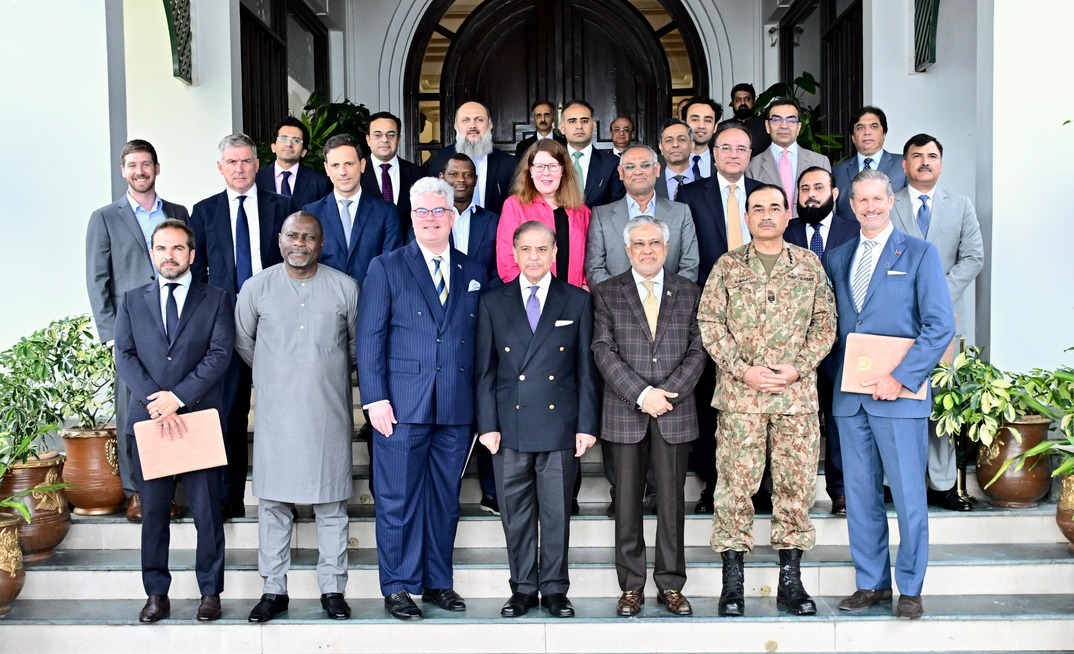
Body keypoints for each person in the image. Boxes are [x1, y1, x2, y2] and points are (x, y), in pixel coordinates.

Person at [698, 184, 836, 618]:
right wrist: (743, 369)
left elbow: (825, 323)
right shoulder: (727, 266)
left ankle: (790, 582)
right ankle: (733, 582)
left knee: (795, 489)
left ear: (786, 213)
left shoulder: (809, 265)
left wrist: (798, 367)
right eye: (757, 209)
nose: (765, 215)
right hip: (741, 400)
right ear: (748, 216)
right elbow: (709, 323)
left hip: (794, 399)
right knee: (735, 489)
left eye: (774, 208)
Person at [824, 169, 955, 620]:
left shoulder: (919, 253)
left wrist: (900, 377)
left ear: (891, 201)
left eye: (878, 199)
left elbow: (940, 326)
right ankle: (871, 583)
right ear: (851, 204)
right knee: (860, 497)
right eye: (862, 201)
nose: (871, 207)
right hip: (851, 398)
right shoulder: (838, 257)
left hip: (900, 397)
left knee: (907, 497)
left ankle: (911, 587)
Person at [356, 178, 487, 621]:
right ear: (411, 218)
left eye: (439, 211)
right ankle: (397, 585)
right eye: (422, 212)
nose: (431, 219)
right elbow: (369, 337)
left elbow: (479, 341)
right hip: (400, 405)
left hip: (455, 405)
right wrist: (374, 399)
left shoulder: (473, 270)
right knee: (397, 498)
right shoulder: (386, 267)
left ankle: (436, 581)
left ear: (452, 216)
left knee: (444, 498)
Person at [235, 211, 360, 623]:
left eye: (308, 237)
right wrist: (279, 372)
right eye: (292, 235)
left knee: (331, 505)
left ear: (321, 244)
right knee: (272, 504)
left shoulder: (344, 289)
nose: (299, 244)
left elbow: (358, 349)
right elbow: (243, 343)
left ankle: (333, 590)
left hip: (329, 415)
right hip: (275, 415)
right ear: (280, 239)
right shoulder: (256, 288)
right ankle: (273, 589)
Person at [475, 220, 600, 619]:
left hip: (560, 424)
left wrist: (586, 424)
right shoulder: (493, 301)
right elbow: (485, 371)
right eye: (526, 249)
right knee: (516, 513)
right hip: (509, 426)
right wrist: (487, 424)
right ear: (514, 254)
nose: (534, 257)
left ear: (555, 254)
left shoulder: (576, 300)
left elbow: (585, 370)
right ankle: (523, 588)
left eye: (542, 249)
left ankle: (556, 589)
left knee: (556, 512)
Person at [114, 219, 234, 623]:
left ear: (192, 254)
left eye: (178, 248)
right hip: (149, 423)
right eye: (162, 248)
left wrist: (178, 397)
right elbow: (124, 356)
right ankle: (156, 595)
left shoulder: (216, 298)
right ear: (153, 253)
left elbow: (220, 354)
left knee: (206, 513)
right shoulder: (131, 301)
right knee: (154, 513)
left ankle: (210, 592)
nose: (170, 255)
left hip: (196, 417)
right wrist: (156, 401)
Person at [591, 216, 707, 617]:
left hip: (674, 412)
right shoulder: (606, 292)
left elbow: (699, 350)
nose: (647, 250)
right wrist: (642, 394)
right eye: (639, 244)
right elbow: (603, 350)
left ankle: (671, 584)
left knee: (672, 503)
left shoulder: (689, 292)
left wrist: (667, 394)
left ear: (666, 246)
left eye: (655, 243)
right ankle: (632, 586)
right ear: (627, 250)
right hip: (626, 412)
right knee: (627, 504)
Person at [188, 133, 292, 520]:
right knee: (229, 414)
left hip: (275, 325)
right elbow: (197, 275)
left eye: (246, 161)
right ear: (220, 167)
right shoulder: (203, 212)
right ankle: (230, 496)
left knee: (281, 414)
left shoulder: (282, 206)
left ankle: (285, 494)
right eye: (231, 162)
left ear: (257, 164)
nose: (239, 168)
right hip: (226, 328)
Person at [86, 139, 189, 520]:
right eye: (132, 165)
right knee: (133, 412)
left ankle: (170, 491)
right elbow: (97, 279)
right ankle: (138, 493)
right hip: (130, 332)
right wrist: (112, 334)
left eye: (146, 164)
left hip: (174, 327)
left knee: (176, 405)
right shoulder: (105, 217)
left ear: (157, 168)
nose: (140, 171)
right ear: (123, 171)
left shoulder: (178, 212)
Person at [890, 134, 984, 513]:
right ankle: (895, 483)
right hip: (896, 321)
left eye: (932, 156)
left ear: (941, 164)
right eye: (917, 156)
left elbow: (973, 257)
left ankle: (943, 484)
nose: (925, 162)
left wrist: (935, 293)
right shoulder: (888, 203)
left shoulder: (959, 205)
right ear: (904, 164)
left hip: (945, 321)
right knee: (896, 398)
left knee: (941, 403)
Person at [674, 122, 760, 513]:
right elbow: (688, 256)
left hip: (762, 317)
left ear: (750, 153)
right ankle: (713, 483)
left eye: (741, 149)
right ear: (713, 153)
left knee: (757, 402)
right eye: (726, 148)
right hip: (710, 312)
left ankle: (760, 484)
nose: (733, 155)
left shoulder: (764, 195)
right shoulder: (691, 194)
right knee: (712, 400)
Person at [785, 166, 860, 515]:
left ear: (835, 193)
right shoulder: (785, 231)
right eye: (804, 189)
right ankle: (786, 494)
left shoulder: (855, 231)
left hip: (840, 345)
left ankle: (841, 491)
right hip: (791, 346)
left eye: (819, 187)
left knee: (838, 417)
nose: (811, 194)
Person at [439, 153, 502, 514]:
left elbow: (499, 269)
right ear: (443, 177)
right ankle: (448, 490)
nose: (460, 180)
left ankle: (491, 489)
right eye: (453, 174)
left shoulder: (491, 222)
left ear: (476, 180)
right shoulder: (431, 218)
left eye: (467, 175)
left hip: (482, 318)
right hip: (437, 325)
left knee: (485, 400)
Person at [586, 145, 699, 286]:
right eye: (630, 167)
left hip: (670, 303)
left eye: (645, 165)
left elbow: (690, 265)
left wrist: (665, 297)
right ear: (621, 173)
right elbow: (595, 269)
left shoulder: (681, 212)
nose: (637, 172)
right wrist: (620, 298)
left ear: (657, 170)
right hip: (617, 304)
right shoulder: (602, 216)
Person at [305, 134, 402, 286]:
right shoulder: (311, 214)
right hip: (326, 302)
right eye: (335, 165)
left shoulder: (386, 212)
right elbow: (306, 264)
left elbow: (392, 265)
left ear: (362, 165)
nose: (342, 172)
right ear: (326, 169)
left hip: (372, 300)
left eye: (349, 164)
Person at [497, 139, 591, 288]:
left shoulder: (580, 210)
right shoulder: (514, 206)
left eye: (553, 166)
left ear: (563, 170)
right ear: (530, 171)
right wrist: (530, 293)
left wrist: (585, 285)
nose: (546, 173)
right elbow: (507, 260)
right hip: (530, 299)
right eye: (539, 167)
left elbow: (590, 258)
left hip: (574, 299)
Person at [426, 101, 518, 214]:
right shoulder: (440, 161)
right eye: (466, 120)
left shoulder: (509, 165)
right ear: (456, 126)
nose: (473, 125)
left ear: (490, 125)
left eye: (479, 119)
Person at [746, 97, 831, 215]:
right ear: (767, 126)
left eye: (791, 120)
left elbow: (828, 206)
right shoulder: (752, 166)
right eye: (777, 120)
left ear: (799, 127)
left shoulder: (820, 162)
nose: (784, 126)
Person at [832, 107, 907, 220]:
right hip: (851, 236)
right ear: (853, 137)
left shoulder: (903, 165)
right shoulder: (838, 171)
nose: (867, 132)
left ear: (884, 134)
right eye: (860, 127)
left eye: (874, 126)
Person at [360, 111, 426, 237]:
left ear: (399, 139)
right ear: (368, 139)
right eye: (378, 135)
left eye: (391, 135)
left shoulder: (418, 174)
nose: (384, 140)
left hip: (406, 250)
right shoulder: (356, 173)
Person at [254, 116, 331, 209]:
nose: (289, 144)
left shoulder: (320, 182)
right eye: (283, 139)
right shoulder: (256, 178)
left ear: (304, 151)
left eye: (296, 140)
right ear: (273, 147)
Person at [561, 99, 626, 208]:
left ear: (594, 126)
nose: (579, 126)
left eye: (585, 121)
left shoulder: (612, 163)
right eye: (572, 121)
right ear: (562, 128)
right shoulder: (552, 161)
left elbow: (616, 206)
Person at [717, 83, 770, 155]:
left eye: (747, 99)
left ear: (754, 102)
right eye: (738, 100)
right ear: (732, 103)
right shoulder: (721, 128)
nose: (743, 103)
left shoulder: (766, 126)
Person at [680, 97, 723, 179]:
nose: (701, 126)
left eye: (708, 120)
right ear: (684, 124)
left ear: (715, 127)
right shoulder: (661, 162)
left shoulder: (724, 162)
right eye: (695, 119)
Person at [655, 119, 697, 201]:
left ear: (692, 145)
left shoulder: (709, 185)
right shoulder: (650, 186)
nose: (675, 144)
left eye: (681, 139)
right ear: (661, 148)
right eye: (669, 140)